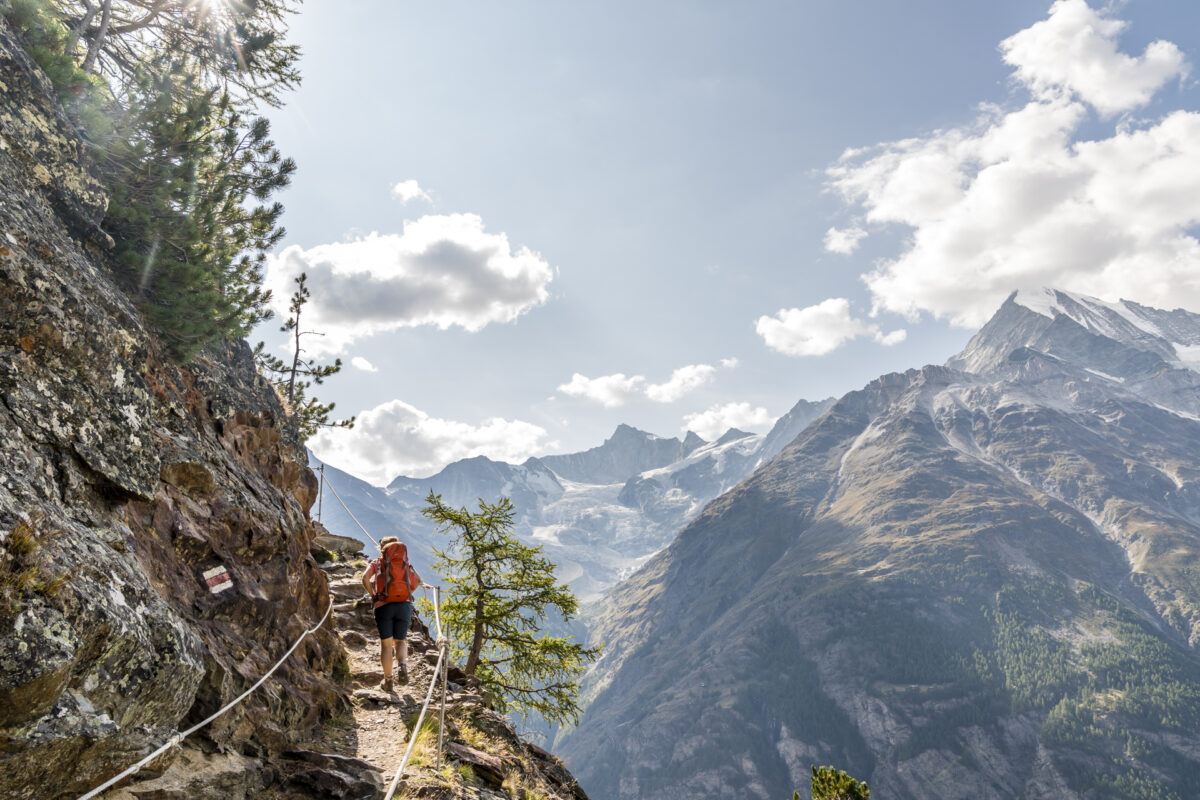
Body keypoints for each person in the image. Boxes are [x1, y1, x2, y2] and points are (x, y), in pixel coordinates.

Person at [361, 535, 421, 691]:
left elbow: (365, 578)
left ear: (382, 549)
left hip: (384, 607)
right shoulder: (405, 564)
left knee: (387, 645)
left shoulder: (377, 563)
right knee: (400, 641)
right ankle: (402, 665)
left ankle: (388, 681)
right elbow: (418, 581)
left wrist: (374, 595)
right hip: (404, 606)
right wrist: (406, 593)